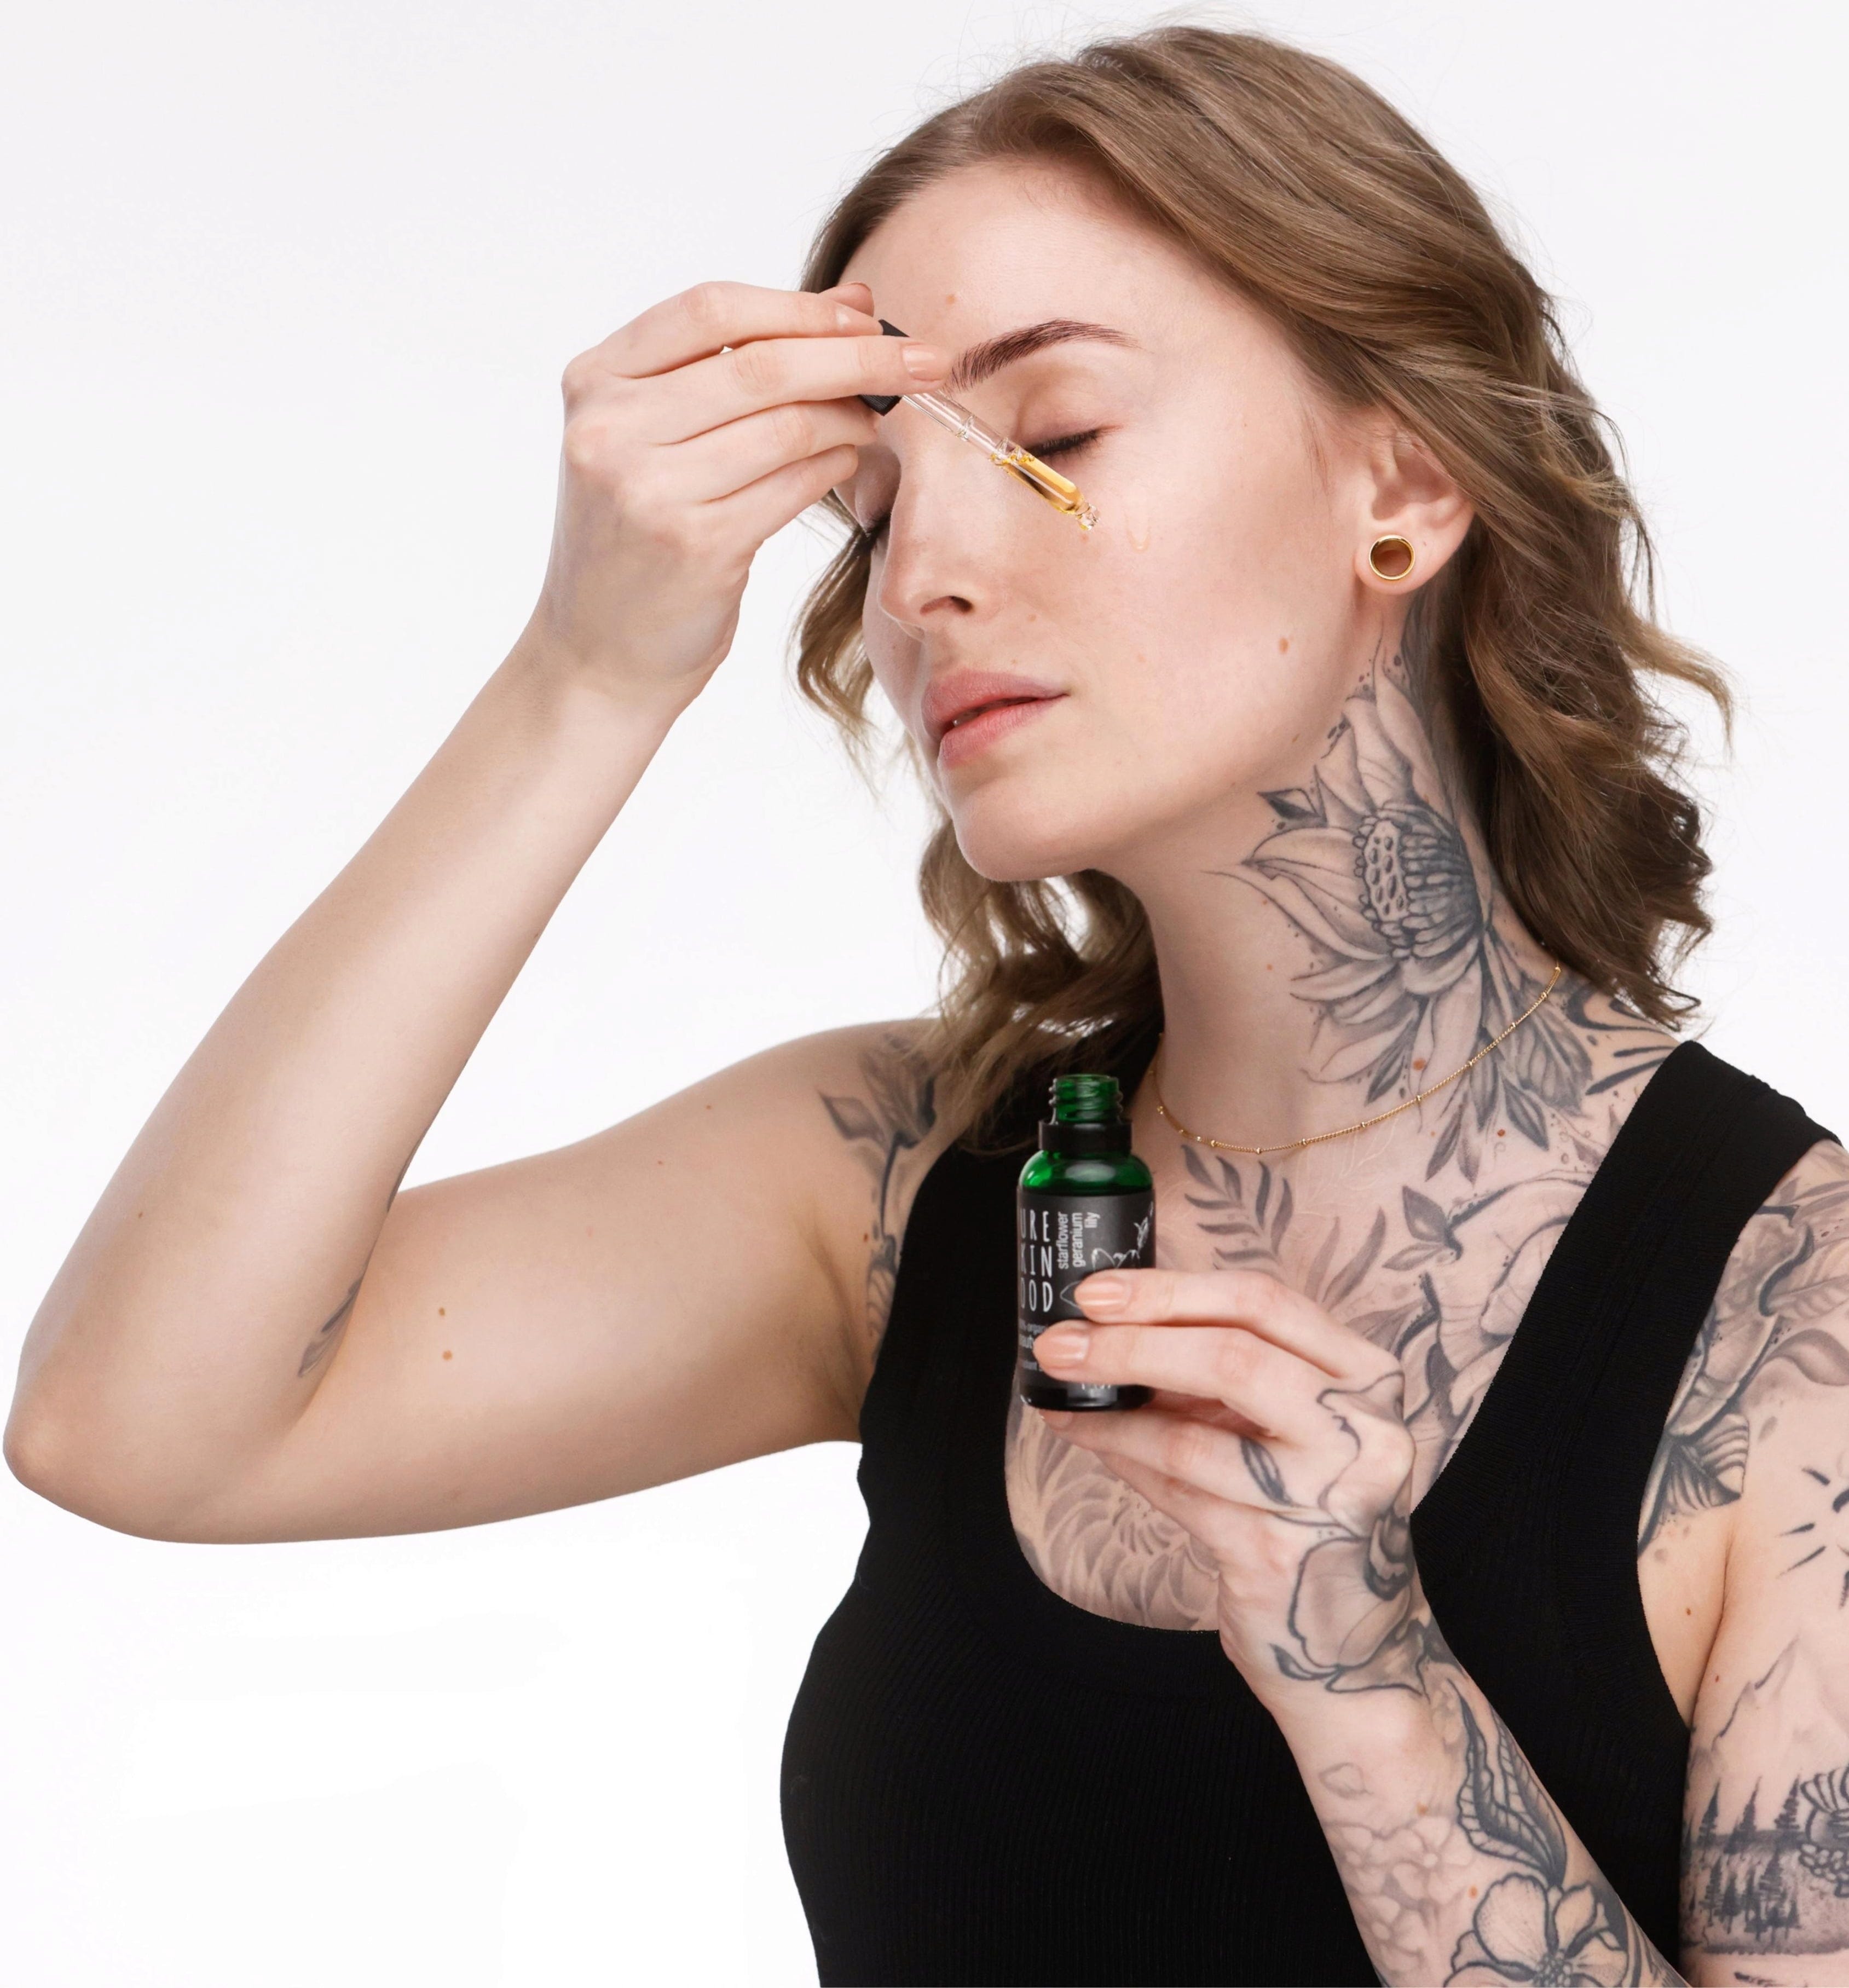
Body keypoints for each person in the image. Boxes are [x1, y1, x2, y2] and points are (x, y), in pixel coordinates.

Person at [9, 23, 1846, 1986]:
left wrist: (1359, 1666)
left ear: (1399, 485)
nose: (917, 586)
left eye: (1052, 437)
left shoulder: (1794, 1322)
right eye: (874, 514)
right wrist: (586, 672)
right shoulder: (902, 1185)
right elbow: (141, 1426)